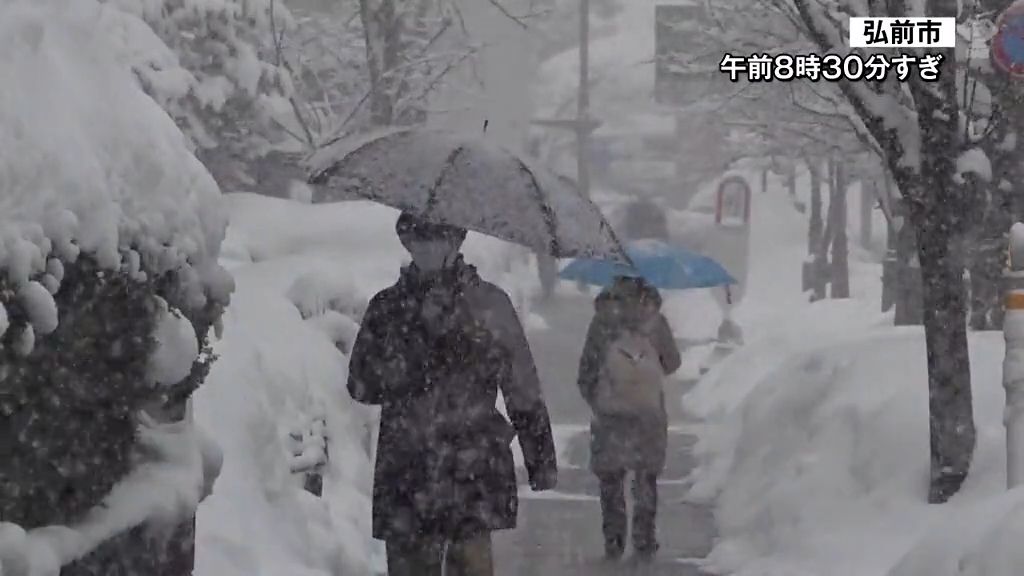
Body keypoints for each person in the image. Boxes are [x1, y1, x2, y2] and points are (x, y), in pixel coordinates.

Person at [348, 212, 558, 576]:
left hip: (469, 467)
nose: (428, 248)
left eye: (438, 238)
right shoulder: (387, 308)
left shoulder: (488, 305)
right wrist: (411, 360)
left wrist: (540, 457)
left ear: (457, 242)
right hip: (410, 471)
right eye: (419, 239)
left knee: (470, 562)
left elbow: (520, 383)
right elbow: (360, 385)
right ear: (406, 243)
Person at [576, 276, 681, 561]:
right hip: (648, 416)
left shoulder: (602, 322)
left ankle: (614, 537)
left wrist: (599, 400)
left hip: (610, 417)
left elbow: (586, 371)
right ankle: (644, 537)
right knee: (646, 477)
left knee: (611, 477)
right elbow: (672, 363)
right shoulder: (655, 321)